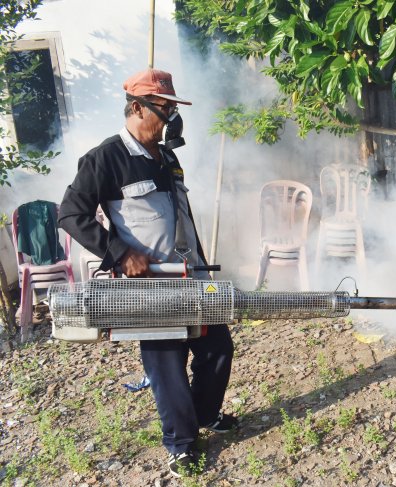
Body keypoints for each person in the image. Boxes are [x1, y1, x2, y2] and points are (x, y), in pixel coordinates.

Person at [58, 68, 235, 477]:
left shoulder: (166, 156)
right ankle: (182, 444)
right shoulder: (105, 158)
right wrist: (118, 252)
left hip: (191, 276)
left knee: (217, 349)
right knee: (166, 365)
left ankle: (205, 414)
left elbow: (180, 217)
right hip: (149, 284)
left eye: (173, 108)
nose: (171, 117)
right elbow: (70, 215)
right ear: (138, 108)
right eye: (165, 109)